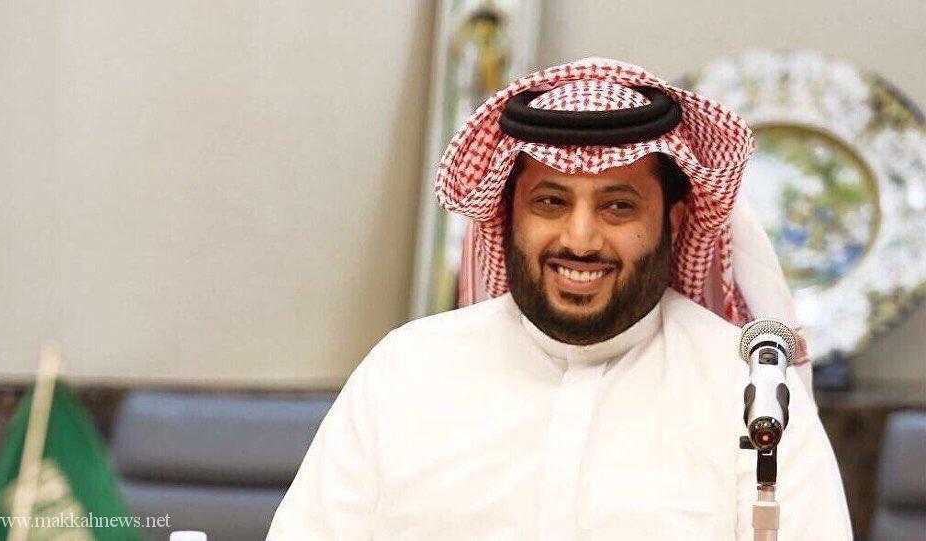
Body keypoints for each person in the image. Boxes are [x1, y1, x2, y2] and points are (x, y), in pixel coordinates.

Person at [267, 58, 851, 540]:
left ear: (672, 223)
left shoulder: (749, 396)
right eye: (550, 202)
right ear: (508, 215)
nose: (580, 239)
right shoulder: (405, 373)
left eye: (618, 206)